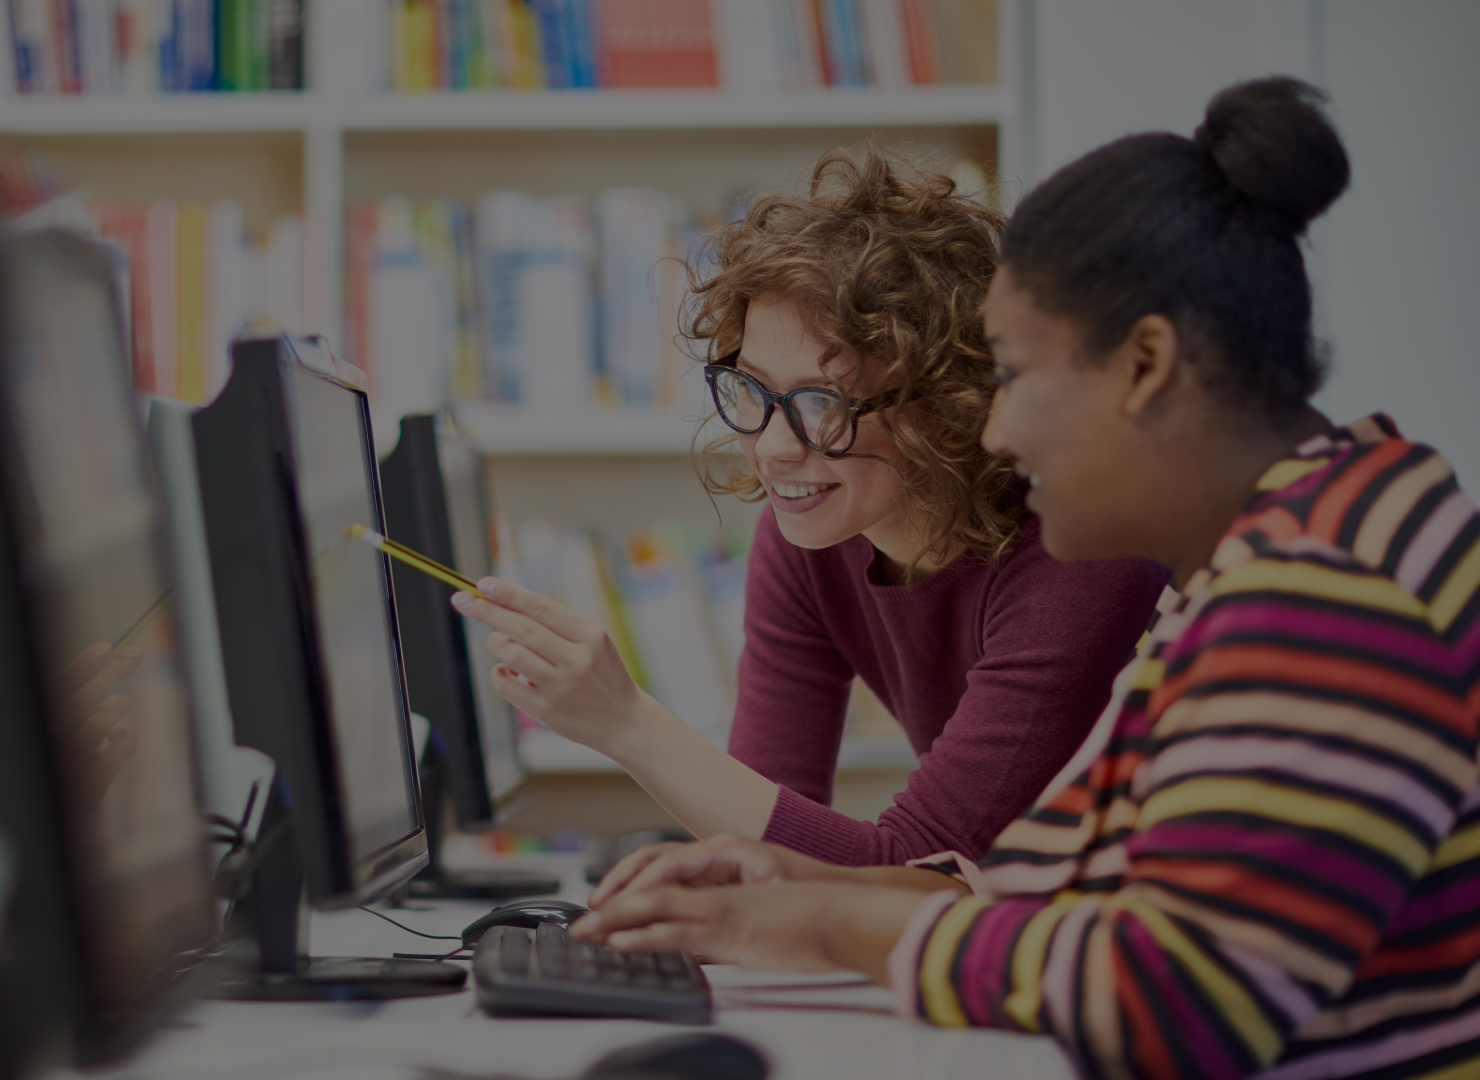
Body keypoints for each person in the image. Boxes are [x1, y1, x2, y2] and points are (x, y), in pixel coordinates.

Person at [571, 77, 1480, 1080]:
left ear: (1144, 366)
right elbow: (1082, 892)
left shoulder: (1323, 591)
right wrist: (799, 888)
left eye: (1014, 375)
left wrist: (828, 923)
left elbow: (1175, 995)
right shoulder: (1288, 544)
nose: (993, 427)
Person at [454, 148, 1169, 866]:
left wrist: (630, 724)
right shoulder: (807, 539)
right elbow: (768, 829)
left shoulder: (1081, 553)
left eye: (821, 403)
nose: (771, 447)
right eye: (754, 390)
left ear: (948, 405)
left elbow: (920, 867)